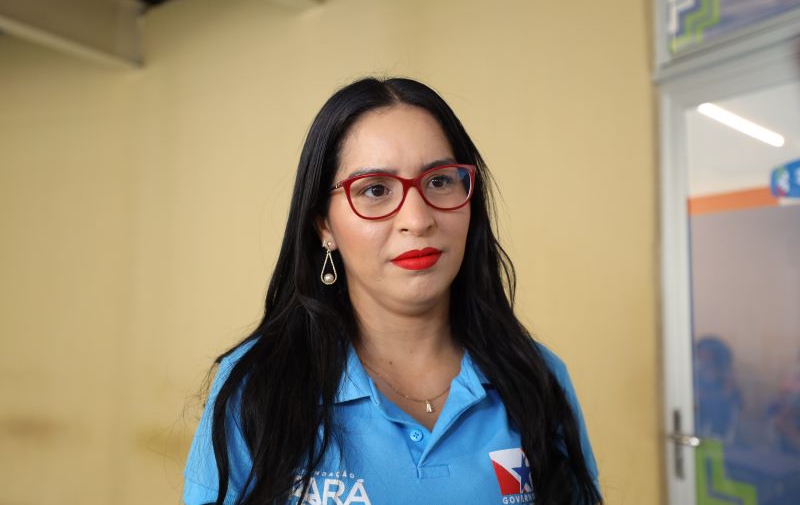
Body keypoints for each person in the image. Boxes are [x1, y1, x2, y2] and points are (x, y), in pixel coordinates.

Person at [182, 77, 602, 505]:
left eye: (439, 181)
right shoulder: (260, 387)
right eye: (376, 190)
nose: (417, 220)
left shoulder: (537, 378)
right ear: (323, 225)